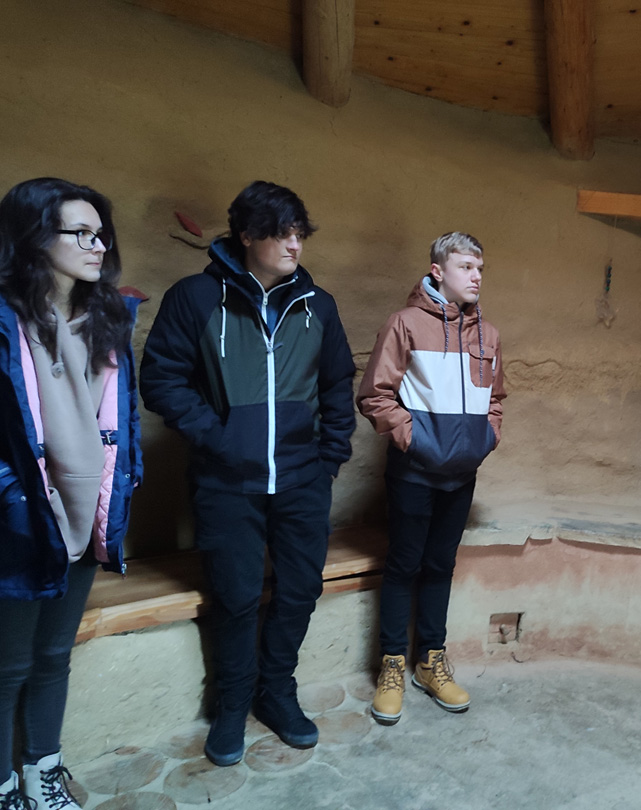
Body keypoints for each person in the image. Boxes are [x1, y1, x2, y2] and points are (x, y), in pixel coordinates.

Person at [140, 181, 355, 767]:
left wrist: (329, 458)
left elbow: (338, 385)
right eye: (282, 233)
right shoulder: (195, 297)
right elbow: (160, 378)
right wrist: (217, 437)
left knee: (301, 588)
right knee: (234, 596)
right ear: (246, 235)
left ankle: (276, 692)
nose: (294, 245)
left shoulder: (317, 306)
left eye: (299, 234)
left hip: (302, 479)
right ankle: (233, 702)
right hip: (225, 481)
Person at [0, 178, 142, 810]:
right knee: (7, 666)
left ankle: (43, 774)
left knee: (54, 654)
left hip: (90, 514)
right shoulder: (5, 322)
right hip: (21, 518)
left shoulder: (108, 320)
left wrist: (125, 483)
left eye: (100, 233)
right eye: (80, 233)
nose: (97, 245)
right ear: (34, 238)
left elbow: (123, 421)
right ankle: (5, 790)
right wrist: (13, 496)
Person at [357, 232, 506, 725]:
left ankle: (430, 662)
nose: (476, 277)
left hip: (462, 475)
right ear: (438, 271)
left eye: (479, 268)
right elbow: (375, 395)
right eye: (466, 267)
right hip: (414, 473)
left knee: (441, 565)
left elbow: (496, 399)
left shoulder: (488, 335)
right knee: (404, 565)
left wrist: (486, 438)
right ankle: (392, 665)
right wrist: (416, 441)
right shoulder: (405, 324)